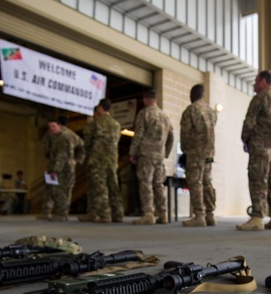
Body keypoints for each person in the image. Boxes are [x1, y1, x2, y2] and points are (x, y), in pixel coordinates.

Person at [238, 70, 271, 231]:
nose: (254, 84)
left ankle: (257, 217)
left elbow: (249, 120)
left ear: (263, 82)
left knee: (257, 178)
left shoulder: (260, 98)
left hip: (259, 144)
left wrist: (245, 138)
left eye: (256, 81)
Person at [129, 90, 174, 225]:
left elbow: (139, 134)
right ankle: (163, 213)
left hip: (146, 154)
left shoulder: (144, 113)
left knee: (146, 183)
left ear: (145, 99)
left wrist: (132, 152)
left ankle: (148, 214)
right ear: (156, 100)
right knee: (158, 184)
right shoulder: (165, 116)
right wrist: (165, 153)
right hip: (159, 156)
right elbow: (171, 136)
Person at [179, 84, 218, 227]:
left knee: (195, 182)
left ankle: (199, 215)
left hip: (195, 152)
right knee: (207, 182)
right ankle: (210, 215)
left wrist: (185, 150)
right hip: (209, 152)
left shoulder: (191, 110)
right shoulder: (211, 111)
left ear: (192, 95)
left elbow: (185, 133)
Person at [82, 98, 125, 223]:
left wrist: (92, 154)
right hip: (112, 160)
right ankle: (118, 214)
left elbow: (88, 142)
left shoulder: (95, 123)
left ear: (100, 108)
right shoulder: (116, 124)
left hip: (97, 159)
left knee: (100, 188)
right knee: (113, 187)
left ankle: (105, 215)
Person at [45, 118, 85, 221]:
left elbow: (61, 155)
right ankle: (63, 214)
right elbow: (82, 145)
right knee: (66, 191)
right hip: (66, 166)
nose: (51, 129)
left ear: (60, 126)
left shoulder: (64, 137)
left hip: (63, 168)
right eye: (49, 127)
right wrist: (77, 159)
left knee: (59, 191)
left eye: (53, 126)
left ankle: (61, 214)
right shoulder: (68, 135)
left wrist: (55, 170)